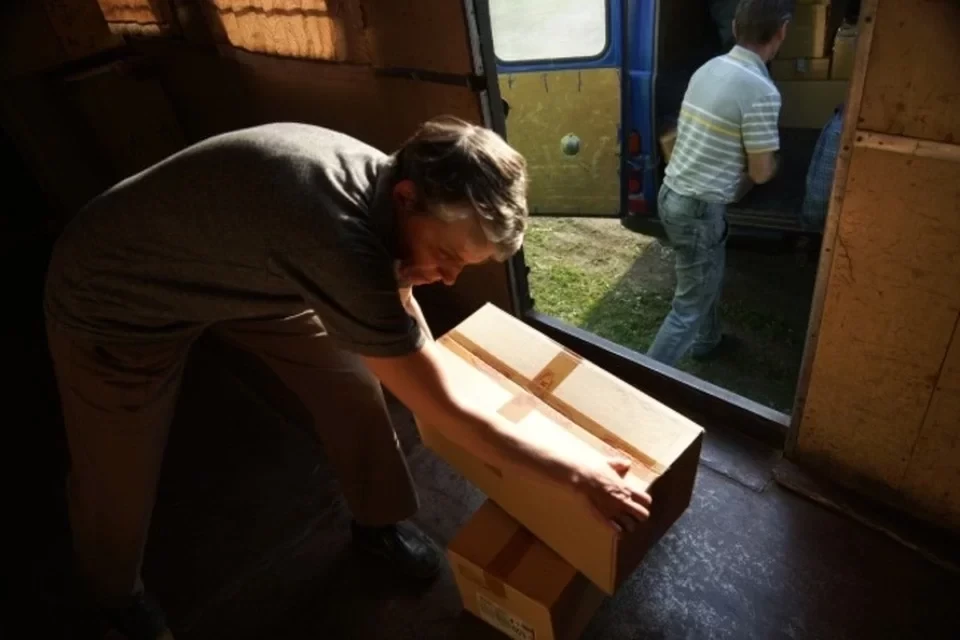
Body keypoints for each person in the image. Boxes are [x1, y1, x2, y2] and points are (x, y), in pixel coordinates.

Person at [44, 116, 653, 639]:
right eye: (447, 256)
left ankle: (376, 523)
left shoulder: (390, 182)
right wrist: (578, 473)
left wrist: (458, 383)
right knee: (117, 467)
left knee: (352, 387)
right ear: (408, 198)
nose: (448, 278)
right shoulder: (338, 242)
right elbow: (443, 408)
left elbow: (398, 317)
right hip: (118, 294)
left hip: (256, 269)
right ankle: (113, 595)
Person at [647, 0, 790, 366]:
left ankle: (708, 342)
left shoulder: (708, 68)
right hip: (698, 208)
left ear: (736, 28)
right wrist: (776, 162)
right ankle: (640, 382)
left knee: (704, 276)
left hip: (671, 193)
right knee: (687, 309)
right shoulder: (762, 90)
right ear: (781, 32)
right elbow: (761, 172)